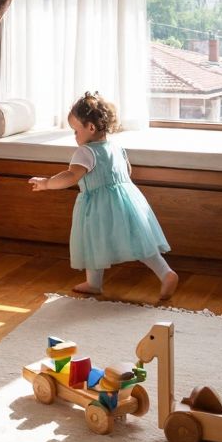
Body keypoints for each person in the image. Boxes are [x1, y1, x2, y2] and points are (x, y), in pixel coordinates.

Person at [28, 92, 179, 300]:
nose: (74, 136)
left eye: (75, 130)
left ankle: (94, 283)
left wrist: (46, 183)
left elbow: (71, 176)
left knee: (93, 242)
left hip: (97, 207)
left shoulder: (85, 152)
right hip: (126, 201)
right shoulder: (117, 147)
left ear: (90, 127)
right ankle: (165, 273)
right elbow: (127, 172)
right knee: (139, 240)